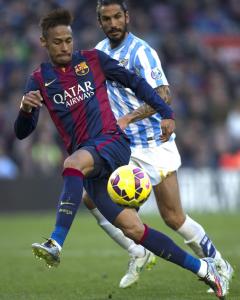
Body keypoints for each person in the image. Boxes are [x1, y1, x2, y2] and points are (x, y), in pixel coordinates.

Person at [14, 8, 229, 299]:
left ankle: (56, 242)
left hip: (112, 143)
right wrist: (26, 110)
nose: (65, 46)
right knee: (134, 229)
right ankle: (205, 270)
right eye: (58, 42)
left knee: (73, 165)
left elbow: (137, 82)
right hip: (90, 161)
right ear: (44, 42)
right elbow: (23, 132)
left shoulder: (92, 59)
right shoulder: (39, 80)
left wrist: (166, 111)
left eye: (68, 40)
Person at [82, 0, 233, 290]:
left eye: (117, 17)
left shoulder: (142, 51)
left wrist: (129, 116)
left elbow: (163, 94)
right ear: (99, 22)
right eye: (106, 19)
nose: (113, 23)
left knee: (173, 216)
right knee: (91, 196)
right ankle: (138, 251)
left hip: (153, 145)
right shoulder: (98, 53)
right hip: (122, 146)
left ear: (127, 17)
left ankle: (218, 263)